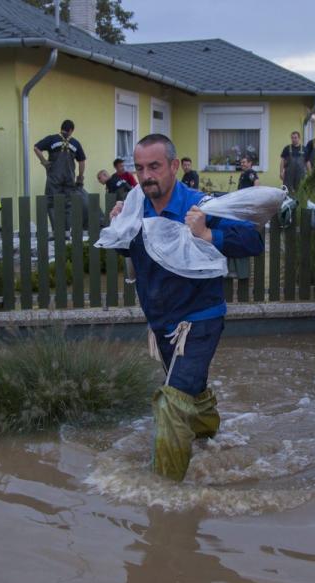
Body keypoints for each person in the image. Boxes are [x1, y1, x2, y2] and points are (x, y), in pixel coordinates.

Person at [108, 133, 263, 481]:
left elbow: (253, 240)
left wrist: (208, 236)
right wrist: (119, 225)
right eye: (140, 168)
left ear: (174, 167)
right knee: (189, 388)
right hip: (161, 323)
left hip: (200, 320)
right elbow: (129, 251)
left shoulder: (202, 204)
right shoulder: (135, 206)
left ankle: (165, 493)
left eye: (155, 167)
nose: (146, 175)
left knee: (172, 403)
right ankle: (210, 439)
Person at [34, 119, 88, 232]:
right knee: (68, 205)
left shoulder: (52, 139)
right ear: (71, 130)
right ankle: (67, 231)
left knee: (51, 203)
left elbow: (36, 147)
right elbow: (82, 161)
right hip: (69, 179)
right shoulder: (75, 143)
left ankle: (57, 231)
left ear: (62, 128)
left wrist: (44, 162)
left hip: (54, 178)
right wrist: (80, 177)